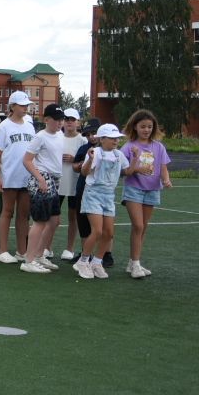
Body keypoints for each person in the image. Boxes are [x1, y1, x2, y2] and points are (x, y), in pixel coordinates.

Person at [119, 109, 172, 279]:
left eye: (150, 126)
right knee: (138, 226)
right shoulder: (128, 147)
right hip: (134, 189)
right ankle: (135, 264)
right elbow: (123, 170)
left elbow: (163, 166)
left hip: (152, 190)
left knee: (144, 227)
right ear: (135, 127)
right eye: (143, 126)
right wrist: (137, 168)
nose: (146, 130)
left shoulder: (158, 146)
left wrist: (166, 180)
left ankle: (134, 262)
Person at [19, 104, 67, 273]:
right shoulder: (40, 137)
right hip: (44, 179)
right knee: (40, 222)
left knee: (54, 221)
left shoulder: (60, 134)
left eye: (62, 119)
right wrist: (40, 179)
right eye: (57, 119)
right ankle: (29, 260)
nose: (60, 123)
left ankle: (39, 255)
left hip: (54, 179)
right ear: (47, 120)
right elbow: (27, 160)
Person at [75, 123, 127, 279]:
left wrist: (139, 163)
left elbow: (127, 170)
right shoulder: (95, 152)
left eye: (117, 138)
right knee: (97, 231)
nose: (116, 141)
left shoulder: (119, 155)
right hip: (93, 194)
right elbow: (84, 172)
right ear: (102, 139)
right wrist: (90, 160)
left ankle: (97, 262)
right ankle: (83, 261)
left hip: (109, 195)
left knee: (109, 233)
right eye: (112, 138)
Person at [0, 91, 36, 264]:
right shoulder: (4, 126)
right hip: (9, 176)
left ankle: (21, 251)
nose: (25, 108)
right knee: (7, 212)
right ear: (12, 106)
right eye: (22, 105)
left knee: (24, 215)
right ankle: (2, 251)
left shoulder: (30, 126)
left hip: (26, 177)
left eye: (26, 105)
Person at [57, 108, 86, 260]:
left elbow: (87, 161)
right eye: (66, 118)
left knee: (73, 217)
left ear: (78, 122)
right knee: (52, 217)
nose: (69, 121)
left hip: (75, 184)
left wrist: (75, 159)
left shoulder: (83, 141)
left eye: (72, 119)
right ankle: (46, 248)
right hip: (57, 183)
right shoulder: (57, 137)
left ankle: (69, 249)